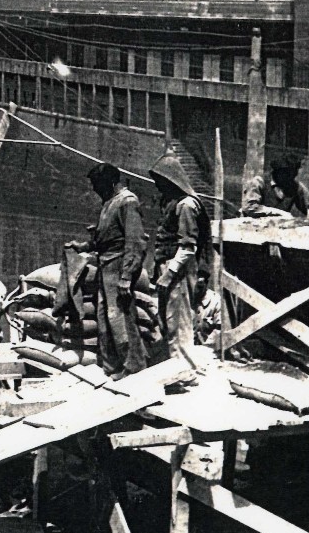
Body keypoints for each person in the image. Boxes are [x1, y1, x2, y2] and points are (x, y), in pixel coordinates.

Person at [66, 162, 147, 379]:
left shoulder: (127, 202)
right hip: (105, 266)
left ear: (110, 182)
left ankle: (134, 367)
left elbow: (135, 241)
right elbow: (105, 239)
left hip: (119, 266)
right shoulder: (108, 203)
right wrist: (84, 246)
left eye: (97, 185)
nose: (94, 190)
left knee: (120, 318)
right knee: (104, 318)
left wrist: (126, 277)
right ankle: (113, 367)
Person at [150, 154, 208, 357]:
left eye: (160, 181)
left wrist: (169, 273)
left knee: (179, 322)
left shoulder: (186, 205)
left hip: (179, 270)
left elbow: (188, 247)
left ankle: (185, 372)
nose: (158, 186)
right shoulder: (171, 203)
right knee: (167, 320)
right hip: (168, 267)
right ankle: (175, 366)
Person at [241, 155, 309, 219]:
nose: (291, 177)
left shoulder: (294, 186)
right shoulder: (259, 182)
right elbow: (250, 207)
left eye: (293, 174)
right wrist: (279, 213)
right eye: (287, 174)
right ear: (278, 172)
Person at [193, 277, 223, 348]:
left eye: (200, 287)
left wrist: (206, 345)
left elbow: (219, 328)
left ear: (206, 284)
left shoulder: (215, 300)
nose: (197, 290)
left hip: (208, 347)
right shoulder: (186, 298)